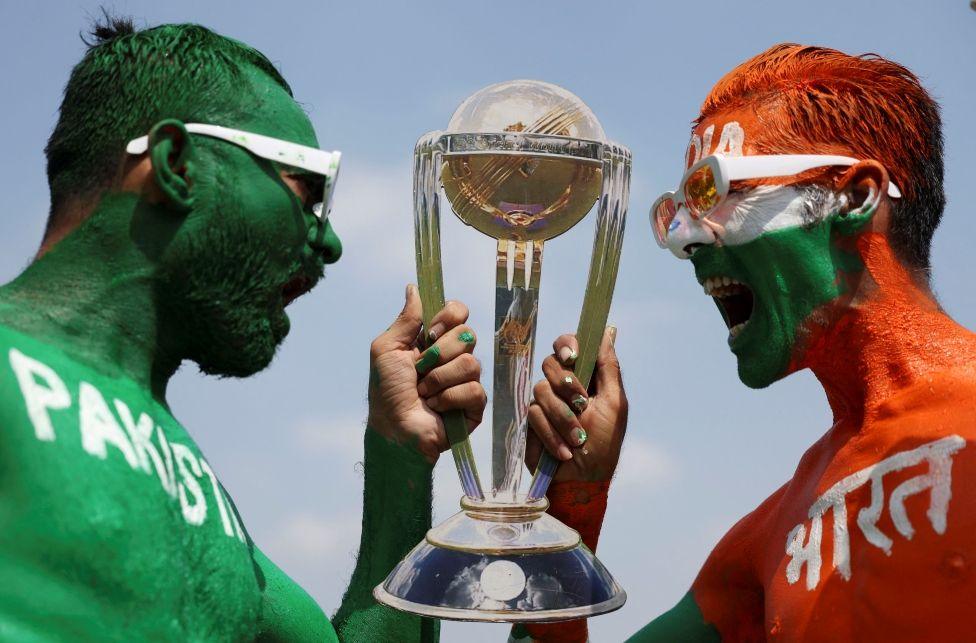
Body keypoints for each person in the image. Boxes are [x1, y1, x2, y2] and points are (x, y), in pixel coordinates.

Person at [0, 16, 487, 642]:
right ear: (176, 164)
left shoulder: (208, 513)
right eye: (307, 191)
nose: (330, 241)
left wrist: (401, 452)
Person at [520, 44, 976, 641]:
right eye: (676, 212)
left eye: (716, 192)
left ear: (856, 196)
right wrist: (570, 505)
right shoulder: (772, 538)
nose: (688, 242)